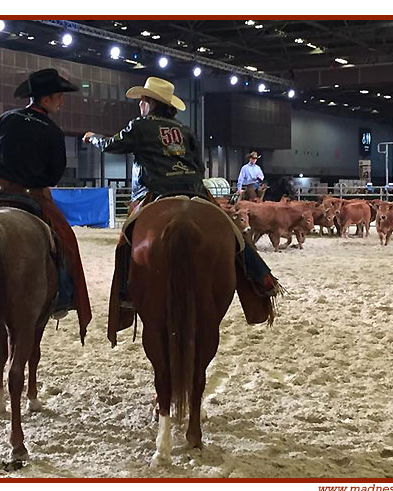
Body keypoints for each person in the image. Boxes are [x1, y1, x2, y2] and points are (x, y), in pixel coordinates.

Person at [83, 76, 281, 330]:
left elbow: (111, 145)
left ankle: (125, 295)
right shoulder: (186, 131)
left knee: (126, 240)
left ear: (148, 102)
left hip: (156, 189)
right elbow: (199, 166)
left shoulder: (140, 126)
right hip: (195, 189)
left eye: (142, 100)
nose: (140, 105)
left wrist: (93, 138)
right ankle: (261, 277)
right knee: (234, 232)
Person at [0, 68, 91, 332]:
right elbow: (54, 174)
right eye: (59, 97)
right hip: (32, 196)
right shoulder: (52, 130)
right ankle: (62, 296)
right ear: (46, 100)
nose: (62, 102)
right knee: (65, 242)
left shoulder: (5, 118)